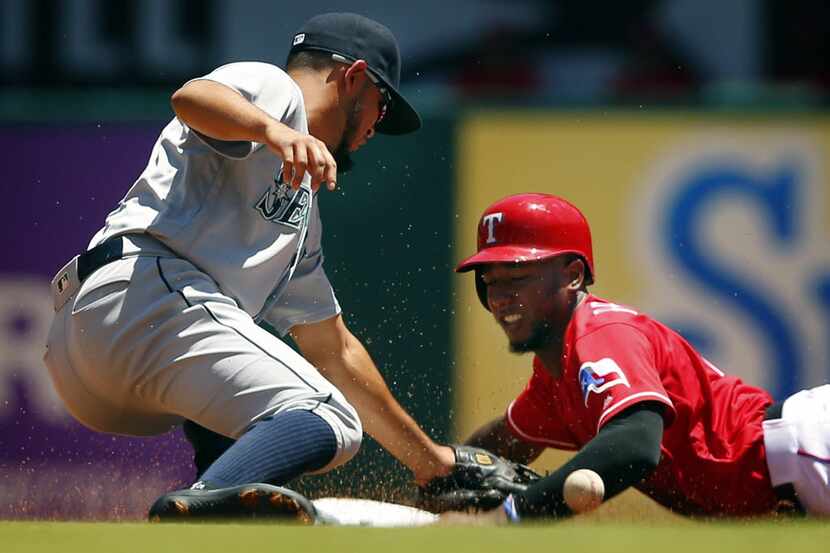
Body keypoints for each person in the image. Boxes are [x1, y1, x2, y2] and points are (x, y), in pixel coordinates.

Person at [43, 12, 456, 521]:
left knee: (259, 437)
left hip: (98, 355)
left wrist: (429, 460)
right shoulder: (276, 89)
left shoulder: (300, 215)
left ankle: (214, 511)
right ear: (353, 77)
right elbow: (192, 97)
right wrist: (273, 130)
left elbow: (335, 350)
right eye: (382, 102)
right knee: (326, 416)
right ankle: (191, 522)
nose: (377, 127)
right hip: (141, 295)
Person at [448, 192, 830, 523]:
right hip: (796, 479)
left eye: (516, 278)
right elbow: (500, 442)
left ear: (574, 276)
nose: (499, 297)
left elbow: (634, 444)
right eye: (490, 281)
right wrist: (436, 478)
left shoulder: (600, 332)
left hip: (811, 448)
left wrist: (513, 516)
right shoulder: (555, 377)